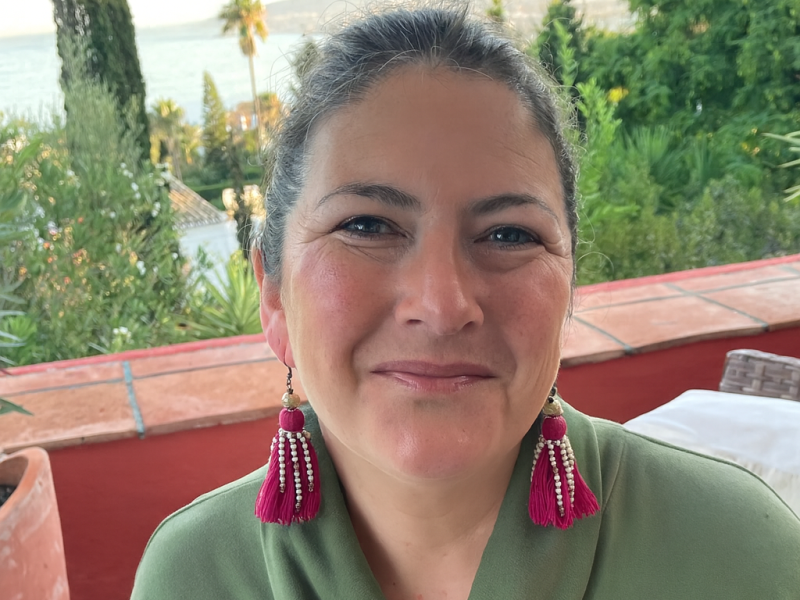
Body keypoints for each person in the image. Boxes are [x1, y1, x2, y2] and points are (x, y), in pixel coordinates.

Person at [131, 5, 800, 599]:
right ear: (273, 295)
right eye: (366, 225)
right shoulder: (193, 574)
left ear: (567, 291)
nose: (443, 303)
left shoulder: (739, 553)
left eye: (509, 235)